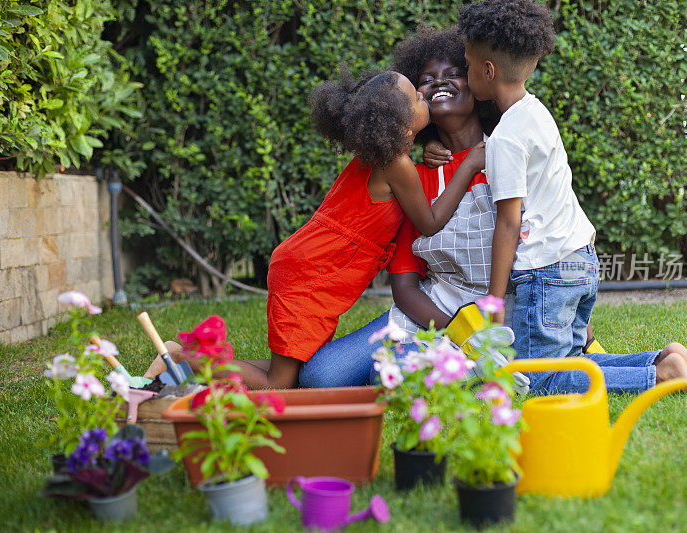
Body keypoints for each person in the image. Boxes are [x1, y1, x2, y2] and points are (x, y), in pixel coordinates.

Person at [148, 67, 485, 389]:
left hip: (308, 264)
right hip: (312, 273)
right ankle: (184, 359)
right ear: (401, 125)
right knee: (278, 383)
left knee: (291, 371)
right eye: (417, 98)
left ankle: (185, 360)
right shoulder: (398, 165)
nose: (425, 95)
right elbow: (429, 222)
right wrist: (467, 166)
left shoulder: (382, 157)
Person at [456, 0, 687, 393]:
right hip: (580, 261)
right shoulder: (537, 114)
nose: (464, 74)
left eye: (466, 65)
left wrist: (494, 303)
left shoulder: (505, 138)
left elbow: (509, 222)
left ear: (488, 70)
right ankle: (666, 359)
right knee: (570, 362)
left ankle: (662, 377)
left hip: (546, 272)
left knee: (541, 379)